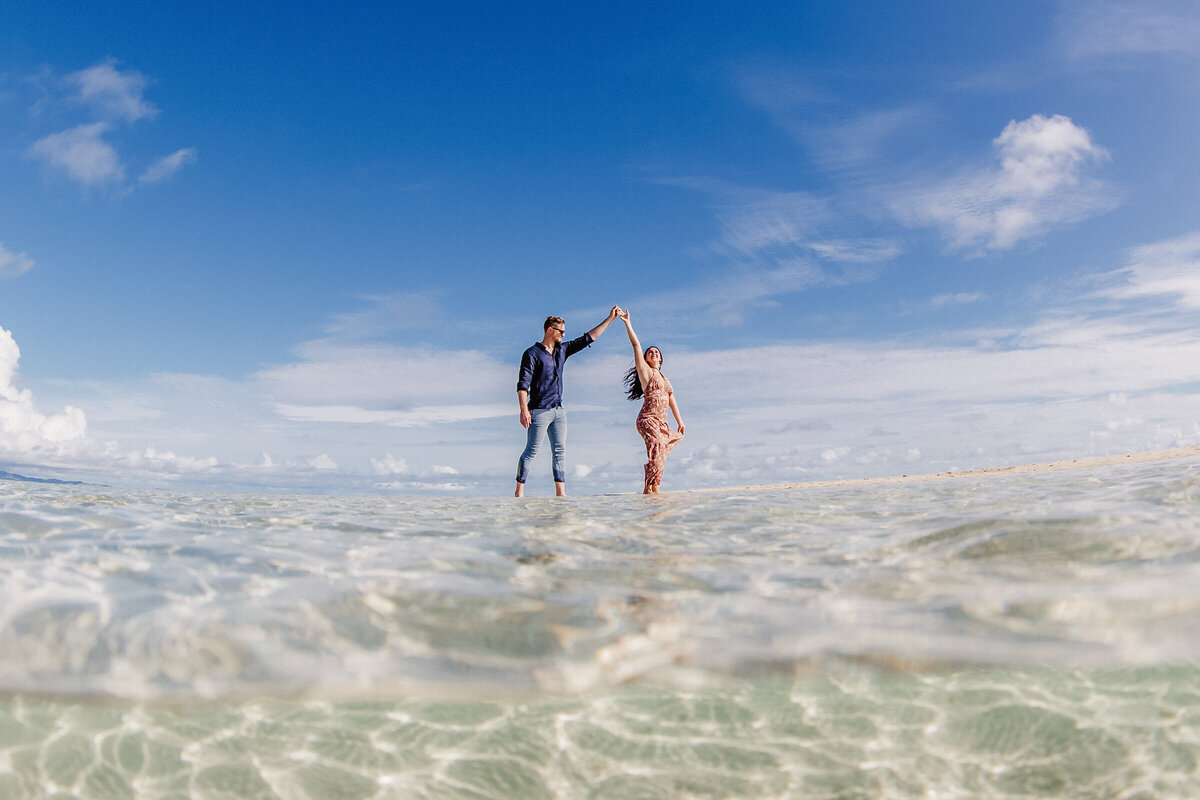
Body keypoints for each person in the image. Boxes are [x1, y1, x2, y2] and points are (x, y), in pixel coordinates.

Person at [515, 306, 621, 497]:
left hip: (559, 410)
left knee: (560, 451)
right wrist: (524, 410)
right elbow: (523, 385)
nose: (564, 335)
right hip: (538, 411)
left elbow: (589, 338)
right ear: (550, 330)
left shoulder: (562, 350)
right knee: (531, 451)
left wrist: (610, 319)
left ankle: (560, 493)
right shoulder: (532, 353)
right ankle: (519, 492)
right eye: (561, 331)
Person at [618, 309, 684, 494]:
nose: (653, 353)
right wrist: (627, 323)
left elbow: (671, 399)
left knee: (660, 452)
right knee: (657, 449)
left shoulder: (665, 378)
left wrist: (680, 421)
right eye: (650, 352)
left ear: (661, 358)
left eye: (656, 352)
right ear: (646, 359)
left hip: (662, 423)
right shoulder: (646, 373)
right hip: (648, 419)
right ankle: (651, 489)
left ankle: (651, 490)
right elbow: (636, 345)